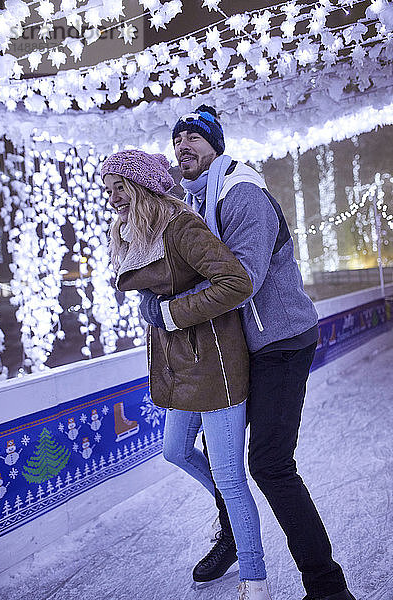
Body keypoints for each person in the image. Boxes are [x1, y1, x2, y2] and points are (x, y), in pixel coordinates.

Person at [139, 106, 357, 600]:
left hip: (280, 340)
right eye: (178, 139)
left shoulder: (241, 194)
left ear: (217, 146)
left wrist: (169, 312)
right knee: (215, 458)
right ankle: (234, 533)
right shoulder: (198, 203)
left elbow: (242, 283)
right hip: (243, 347)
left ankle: (328, 588)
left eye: (195, 136)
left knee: (270, 464)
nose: (183, 145)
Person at [101, 149, 272, 600]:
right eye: (109, 188)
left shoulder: (182, 227)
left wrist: (173, 312)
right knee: (174, 450)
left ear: (143, 185)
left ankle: (254, 579)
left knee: (231, 476)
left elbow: (236, 282)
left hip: (215, 362)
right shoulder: (137, 236)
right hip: (178, 363)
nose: (113, 196)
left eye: (121, 185)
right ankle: (231, 510)